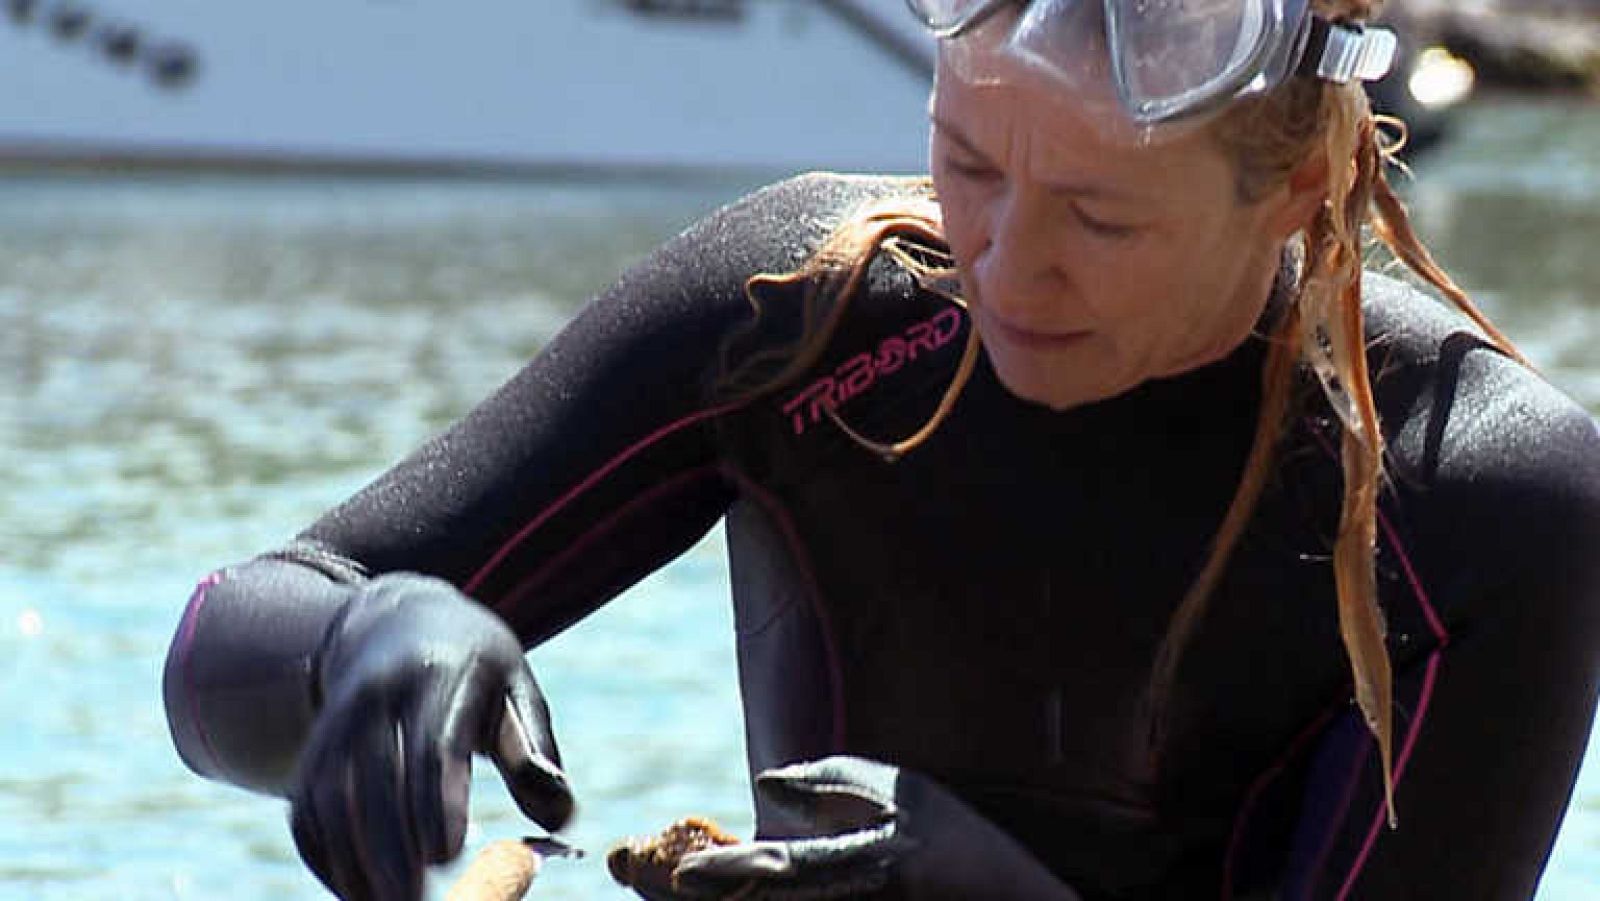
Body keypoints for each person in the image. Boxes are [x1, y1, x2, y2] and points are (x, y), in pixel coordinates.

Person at [162, 1, 1600, 898]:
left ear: (1293, 191)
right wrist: (360, 642)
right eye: (967, 166)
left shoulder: (1478, 498)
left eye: (1103, 219)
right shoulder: (813, 312)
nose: (1009, 266)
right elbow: (226, 640)